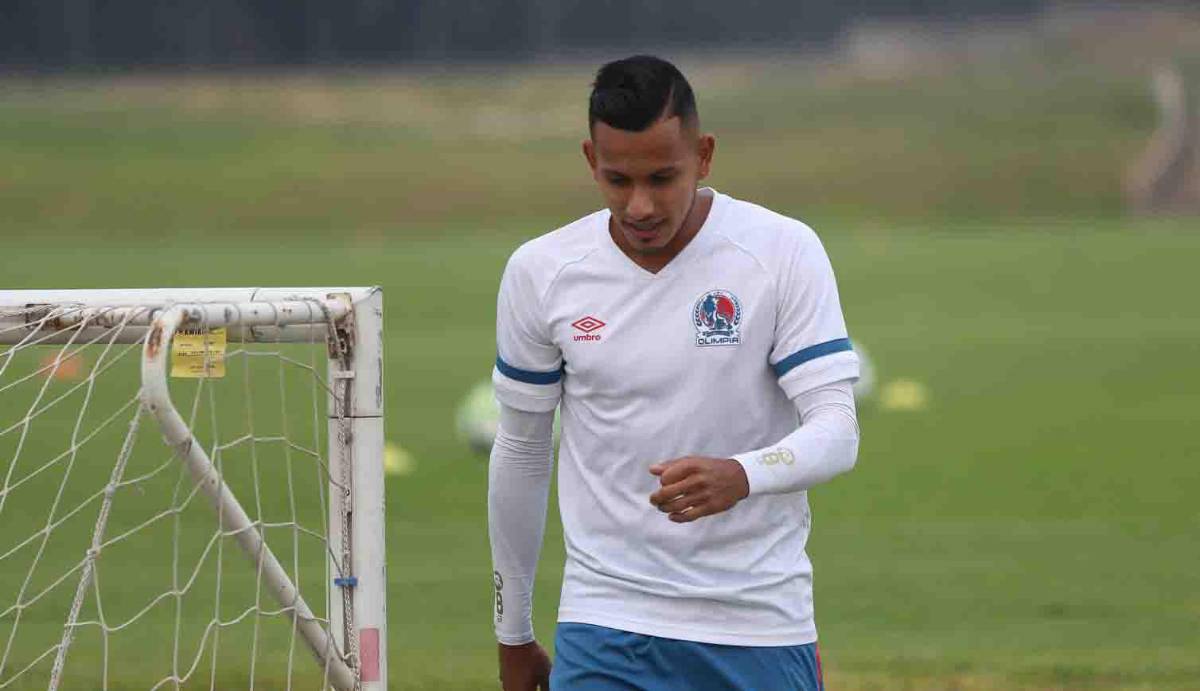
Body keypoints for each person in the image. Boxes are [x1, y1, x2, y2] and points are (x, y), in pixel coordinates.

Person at [488, 54, 860, 691]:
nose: (639, 206)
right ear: (590, 160)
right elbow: (522, 451)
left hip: (758, 624)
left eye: (663, 178)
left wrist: (742, 474)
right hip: (604, 623)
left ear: (704, 155)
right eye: (617, 180)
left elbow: (837, 431)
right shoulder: (542, 272)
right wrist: (513, 633)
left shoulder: (781, 251)